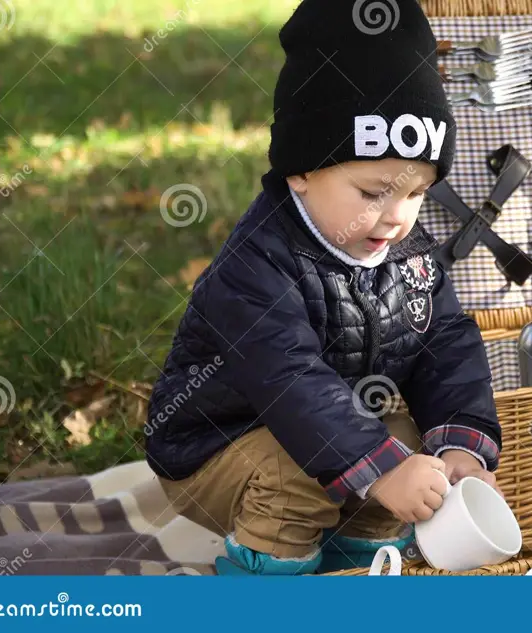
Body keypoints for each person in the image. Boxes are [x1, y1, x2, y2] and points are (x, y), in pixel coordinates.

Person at [144, 0, 502, 575]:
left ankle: (356, 567)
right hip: (213, 449)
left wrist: (458, 443)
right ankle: (267, 580)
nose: (396, 218)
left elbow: (448, 342)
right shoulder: (257, 262)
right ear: (302, 171)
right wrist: (381, 469)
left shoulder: (407, 251)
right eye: (373, 192)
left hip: (331, 432)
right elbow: (291, 380)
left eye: (416, 194)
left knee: (412, 450)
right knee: (300, 476)